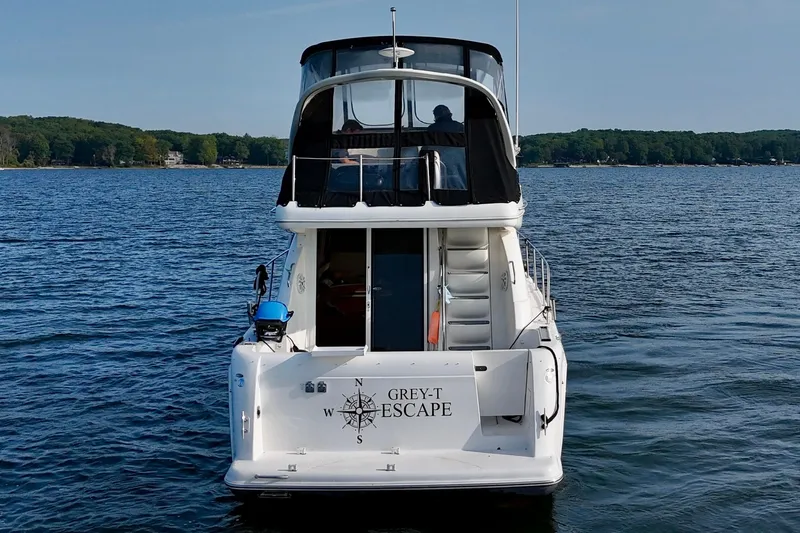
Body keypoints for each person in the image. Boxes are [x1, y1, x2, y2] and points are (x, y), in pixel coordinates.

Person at [426, 105, 466, 189]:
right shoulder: (460, 127)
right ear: (450, 114)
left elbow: (426, 149)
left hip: (437, 168)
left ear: (436, 116)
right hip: (460, 168)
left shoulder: (431, 129)